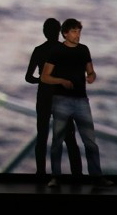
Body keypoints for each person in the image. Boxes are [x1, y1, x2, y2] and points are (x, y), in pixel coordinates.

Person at [40, 19, 110, 185]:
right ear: (65, 33)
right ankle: (55, 177)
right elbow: (45, 77)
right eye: (74, 31)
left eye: (79, 31)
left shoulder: (84, 50)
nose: (77, 35)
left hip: (81, 102)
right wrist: (61, 81)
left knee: (90, 142)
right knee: (57, 140)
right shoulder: (57, 51)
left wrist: (91, 77)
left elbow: (91, 71)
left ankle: (96, 177)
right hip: (61, 101)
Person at [24, 18, 82, 177]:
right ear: (59, 32)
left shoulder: (38, 50)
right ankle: (77, 175)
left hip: (43, 96)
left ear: (44, 32)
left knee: (41, 137)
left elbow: (28, 77)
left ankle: (40, 173)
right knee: (69, 138)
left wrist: (41, 80)